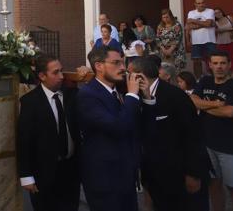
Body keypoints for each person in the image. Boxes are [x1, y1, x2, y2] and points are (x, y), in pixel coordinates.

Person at [77, 46, 152, 211]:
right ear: (99, 66)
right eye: (116, 63)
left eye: (123, 62)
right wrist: (132, 95)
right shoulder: (87, 95)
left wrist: (146, 96)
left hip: (126, 175)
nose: (123, 68)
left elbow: (140, 124)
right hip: (104, 179)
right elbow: (118, 127)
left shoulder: (120, 90)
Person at [132, 57, 210, 211]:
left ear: (140, 76)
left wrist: (193, 173)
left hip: (179, 173)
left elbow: (193, 134)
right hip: (156, 174)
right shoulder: (136, 95)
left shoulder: (175, 96)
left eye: (129, 74)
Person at [17, 55, 80, 211]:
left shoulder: (71, 94)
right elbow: (24, 140)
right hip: (44, 173)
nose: (61, 76)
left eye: (62, 71)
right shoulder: (30, 101)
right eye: (55, 72)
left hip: (71, 169)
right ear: (42, 76)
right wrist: (26, 176)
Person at [190, 51, 233, 211]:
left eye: (222, 63)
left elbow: (230, 112)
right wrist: (216, 104)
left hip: (230, 146)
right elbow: (192, 100)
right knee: (213, 185)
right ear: (210, 65)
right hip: (207, 143)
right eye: (215, 63)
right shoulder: (205, 80)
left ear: (229, 65)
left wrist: (204, 106)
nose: (219, 67)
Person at [186, 0, 216, 78]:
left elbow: (209, 24)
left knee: (212, 61)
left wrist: (194, 21)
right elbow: (189, 26)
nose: (201, 5)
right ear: (195, 4)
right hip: (196, 41)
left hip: (209, 40)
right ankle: (198, 79)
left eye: (203, 2)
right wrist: (204, 24)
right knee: (196, 61)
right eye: (199, 3)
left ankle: (214, 79)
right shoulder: (191, 13)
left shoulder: (210, 11)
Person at [214, 8, 233, 73]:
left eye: (219, 12)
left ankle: (232, 76)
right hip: (221, 43)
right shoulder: (215, 22)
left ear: (222, 12)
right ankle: (224, 75)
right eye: (215, 13)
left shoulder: (229, 18)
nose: (218, 14)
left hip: (231, 41)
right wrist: (228, 29)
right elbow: (216, 31)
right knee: (222, 60)